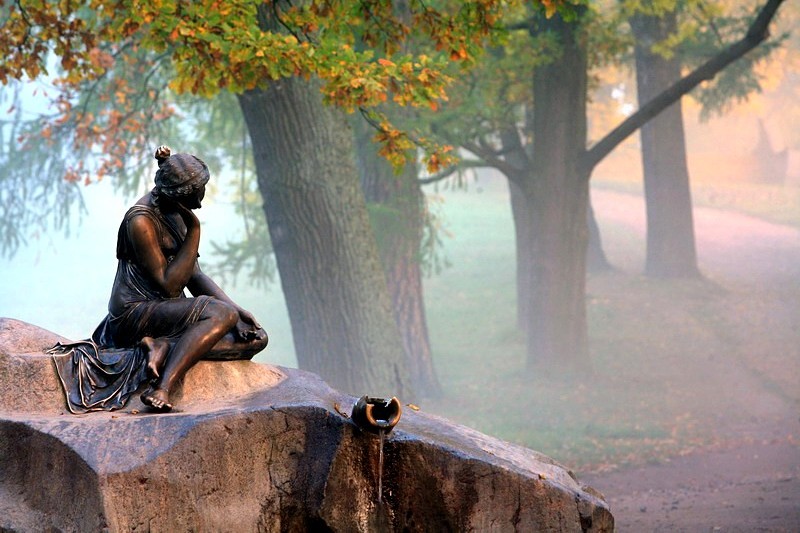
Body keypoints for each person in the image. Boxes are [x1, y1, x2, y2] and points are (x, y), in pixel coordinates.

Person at [52, 146, 267, 413]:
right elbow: (170, 285)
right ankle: (163, 388)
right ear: (182, 195)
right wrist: (195, 230)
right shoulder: (140, 220)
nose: (203, 196)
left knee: (255, 337)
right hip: (135, 313)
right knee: (221, 315)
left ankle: (164, 346)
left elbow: (194, 275)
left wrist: (239, 310)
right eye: (199, 189)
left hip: (167, 311)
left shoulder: (176, 211)